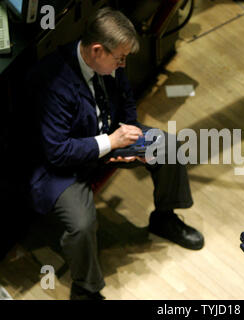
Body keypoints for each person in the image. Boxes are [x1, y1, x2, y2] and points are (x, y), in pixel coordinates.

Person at [26, 7, 204, 300]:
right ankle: (85, 288)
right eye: (119, 58)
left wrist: (131, 136)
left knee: (169, 147)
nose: (123, 65)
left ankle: (164, 217)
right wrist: (111, 143)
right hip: (59, 166)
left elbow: (126, 99)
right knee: (82, 225)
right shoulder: (51, 82)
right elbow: (57, 152)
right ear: (97, 50)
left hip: (109, 140)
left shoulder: (110, 64)